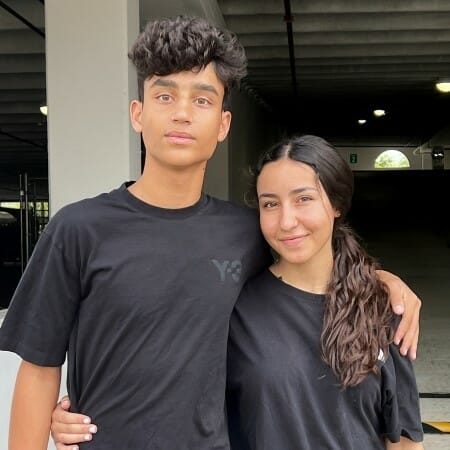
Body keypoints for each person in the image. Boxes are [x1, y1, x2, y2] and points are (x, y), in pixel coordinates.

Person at [0, 16, 420, 450]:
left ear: (223, 125)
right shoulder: (78, 229)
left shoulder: (246, 231)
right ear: (137, 115)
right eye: (164, 95)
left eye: (202, 100)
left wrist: (386, 284)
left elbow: (313, 256)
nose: (181, 113)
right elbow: (39, 368)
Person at [226, 135, 424, 449]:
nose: (287, 221)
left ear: (336, 204)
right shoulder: (235, 309)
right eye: (270, 204)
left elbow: (403, 441)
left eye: (303, 199)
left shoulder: (383, 307)